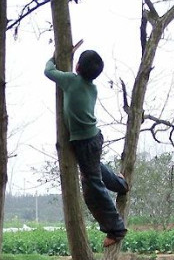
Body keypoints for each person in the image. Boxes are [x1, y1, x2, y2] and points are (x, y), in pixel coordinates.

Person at [44, 43, 129, 248]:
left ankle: (116, 229)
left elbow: (48, 71)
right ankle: (120, 185)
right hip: (93, 139)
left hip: (84, 142)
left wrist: (54, 57)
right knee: (93, 169)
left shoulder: (71, 81)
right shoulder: (92, 88)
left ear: (77, 67)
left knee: (92, 186)